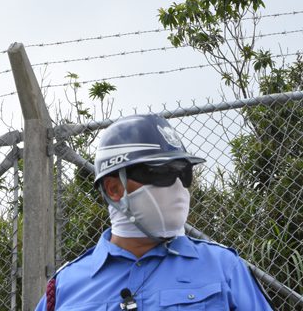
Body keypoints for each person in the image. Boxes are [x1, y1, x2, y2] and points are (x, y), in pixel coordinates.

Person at [35, 114, 273, 310]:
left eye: (183, 174)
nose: (178, 187)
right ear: (114, 188)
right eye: (162, 173)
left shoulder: (224, 268)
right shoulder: (65, 287)